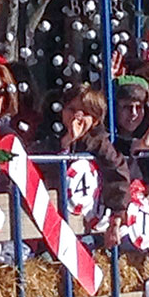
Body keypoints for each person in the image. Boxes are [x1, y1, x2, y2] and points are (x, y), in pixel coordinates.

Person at [59, 84, 131, 220]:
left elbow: (117, 172)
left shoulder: (99, 143)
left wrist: (118, 213)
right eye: (71, 110)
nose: (76, 117)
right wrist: (67, 142)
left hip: (89, 216)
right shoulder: (50, 137)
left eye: (85, 113)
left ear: (95, 120)